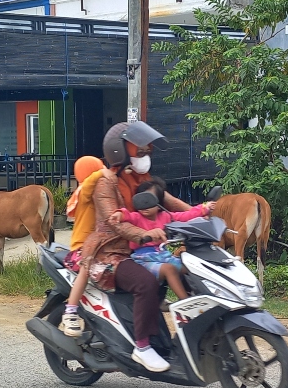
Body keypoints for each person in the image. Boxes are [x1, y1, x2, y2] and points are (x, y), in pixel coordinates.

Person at [77, 122, 181, 373]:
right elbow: (116, 223)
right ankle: (142, 347)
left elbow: (168, 202)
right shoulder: (106, 183)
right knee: (145, 283)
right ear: (121, 152)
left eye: (148, 152)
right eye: (140, 152)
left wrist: (203, 215)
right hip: (109, 253)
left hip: (138, 251)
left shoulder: (141, 179)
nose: (145, 157)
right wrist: (145, 233)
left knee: (179, 268)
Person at [111, 183, 215, 300]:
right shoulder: (136, 217)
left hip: (163, 254)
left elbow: (186, 216)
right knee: (169, 269)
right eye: (142, 198)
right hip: (144, 258)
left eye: (150, 199)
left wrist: (204, 208)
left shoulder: (165, 216)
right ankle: (187, 302)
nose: (145, 203)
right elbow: (127, 215)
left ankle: (207, 296)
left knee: (191, 267)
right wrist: (119, 214)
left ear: (159, 204)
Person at [59, 155, 105, 338]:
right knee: (88, 266)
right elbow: (90, 182)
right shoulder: (85, 192)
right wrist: (105, 172)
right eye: (99, 169)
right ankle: (70, 311)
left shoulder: (101, 193)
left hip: (100, 246)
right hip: (82, 249)